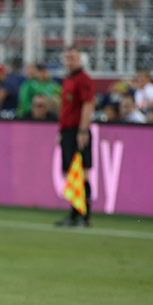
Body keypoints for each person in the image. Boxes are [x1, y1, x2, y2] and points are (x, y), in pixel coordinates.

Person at [55, 47, 94, 227]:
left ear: (80, 59)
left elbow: (88, 104)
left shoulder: (83, 80)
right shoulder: (68, 79)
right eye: (67, 58)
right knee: (73, 174)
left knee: (81, 173)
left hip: (78, 131)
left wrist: (83, 130)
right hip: (68, 131)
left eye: (73, 57)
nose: (69, 61)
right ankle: (77, 215)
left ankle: (82, 216)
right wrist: (61, 132)